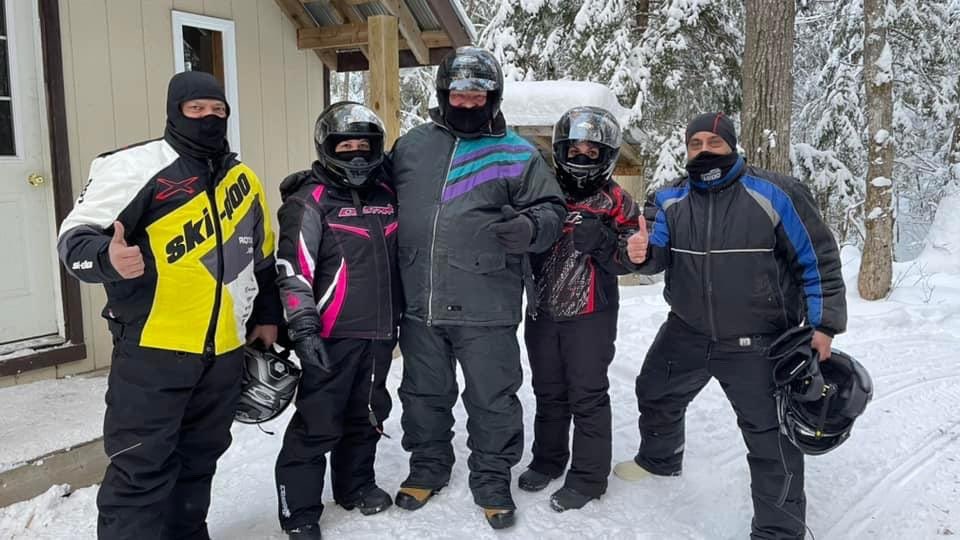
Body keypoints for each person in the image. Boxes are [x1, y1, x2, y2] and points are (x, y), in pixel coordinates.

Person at [57, 71, 282, 539]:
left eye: (217, 110)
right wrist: (107, 258)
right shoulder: (136, 167)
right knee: (139, 469)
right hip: (153, 351)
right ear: (174, 110)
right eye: (195, 109)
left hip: (222, 352)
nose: (208, 118)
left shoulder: (243, 179)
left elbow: (261, 259)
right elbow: (74, 238)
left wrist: (266, 317)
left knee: (198, 462)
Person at [617, 112, 847, 539]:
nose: (704, 151)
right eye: (695, 144)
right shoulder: (670, 198)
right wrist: (638, 252)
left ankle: (779, 530)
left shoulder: (777, 194)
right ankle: (660, 459)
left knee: (770, 437)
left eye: (713, 143)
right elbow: (656, 253)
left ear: (732, 145)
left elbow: (818, 262)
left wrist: (824, 325)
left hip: (760, 341)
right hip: (686, 330)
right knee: (655, 391)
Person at [389, 46, 566, 530]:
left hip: (487, 301)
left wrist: (530, 229)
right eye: (458, 95)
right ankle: (428, 467)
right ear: (443, 94)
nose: (467, 104)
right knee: (423, 393)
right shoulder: (412, 147)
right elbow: (373, 196)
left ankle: (491, 477)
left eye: (477, 95)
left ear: (494, 96)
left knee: (492, 397)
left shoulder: (517, 153)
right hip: (420, 299)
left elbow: (551, 211)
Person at [272, 102, 400, 540]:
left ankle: (356, 485)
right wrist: (303, 329)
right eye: (346, 145)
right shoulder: (310, 201)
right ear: (327, 148)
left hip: (380, 333)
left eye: (366, 146)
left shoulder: (388, 195)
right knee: (317, 423)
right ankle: (299, 511)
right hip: (328, 334)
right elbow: (292, 271)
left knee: (366, 414)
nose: (357, 154)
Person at [517, 107, 640, 512]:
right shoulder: (544, 189)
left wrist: (606, 242)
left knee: (587, 395)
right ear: (561, 148)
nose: (583, 152)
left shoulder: (617, 200)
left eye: (593, 147)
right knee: (547, 391)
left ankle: (588, 477)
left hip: (591, 314)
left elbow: (634, 258)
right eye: (575, 145)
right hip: (541, 311)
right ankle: (549, 459)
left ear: (606, 153)